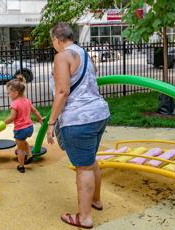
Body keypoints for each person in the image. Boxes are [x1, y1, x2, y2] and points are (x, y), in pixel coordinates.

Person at [46, 22, 110, 229]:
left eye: (52, 41)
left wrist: (51, 123)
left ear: (56, 39)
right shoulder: (84, 53)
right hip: (99, 113)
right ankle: (96, 200)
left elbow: (63, 92)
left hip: (79, 119)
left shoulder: (62, 56)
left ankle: (84, 217)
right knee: (90, 162)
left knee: (83, 167)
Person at [5, 75, 43, 173]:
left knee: (20, 149)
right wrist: (40, 120)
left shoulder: (15, 104)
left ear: (16, 93)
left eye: (9, 93)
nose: (8, 95)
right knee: (23, 142)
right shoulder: (27, 101)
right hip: (30, 128)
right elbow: (35, 111)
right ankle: (30, 155)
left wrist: (3, 122)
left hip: (20, 129)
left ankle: (21, 166)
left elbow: (12, 117)